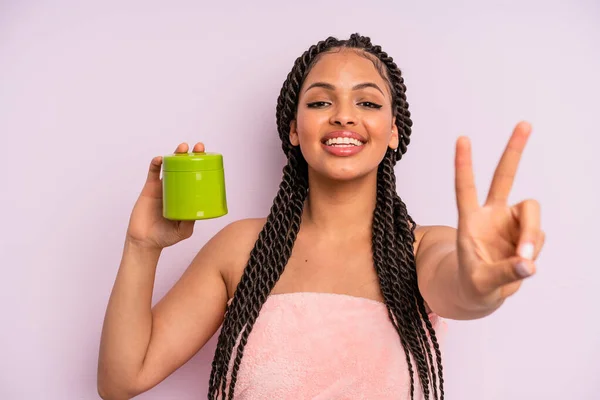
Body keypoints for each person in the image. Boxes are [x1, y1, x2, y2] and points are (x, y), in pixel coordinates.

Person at [97, 33, 545, 400]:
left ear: (393, 132)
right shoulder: (241, 249)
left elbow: (464, 291)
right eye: (319, 103)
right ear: (294, 129)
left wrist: (484, 280)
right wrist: (142, 247)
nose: (344, 117)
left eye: (368, 103)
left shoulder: (423, 249)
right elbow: (122, 379)